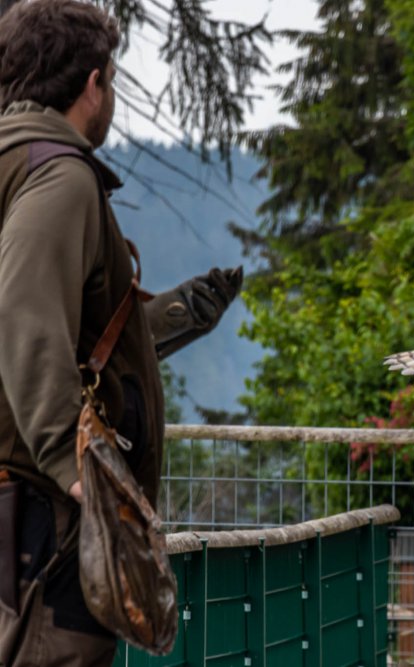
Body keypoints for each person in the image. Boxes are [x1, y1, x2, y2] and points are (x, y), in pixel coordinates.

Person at [0, 1, 242, 665]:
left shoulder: (13, 166)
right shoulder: (58, 175)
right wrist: (75, 465)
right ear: (92, 83)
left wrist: (168, 318)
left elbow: (53, 331)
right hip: (46, 519)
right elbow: (23, 312)